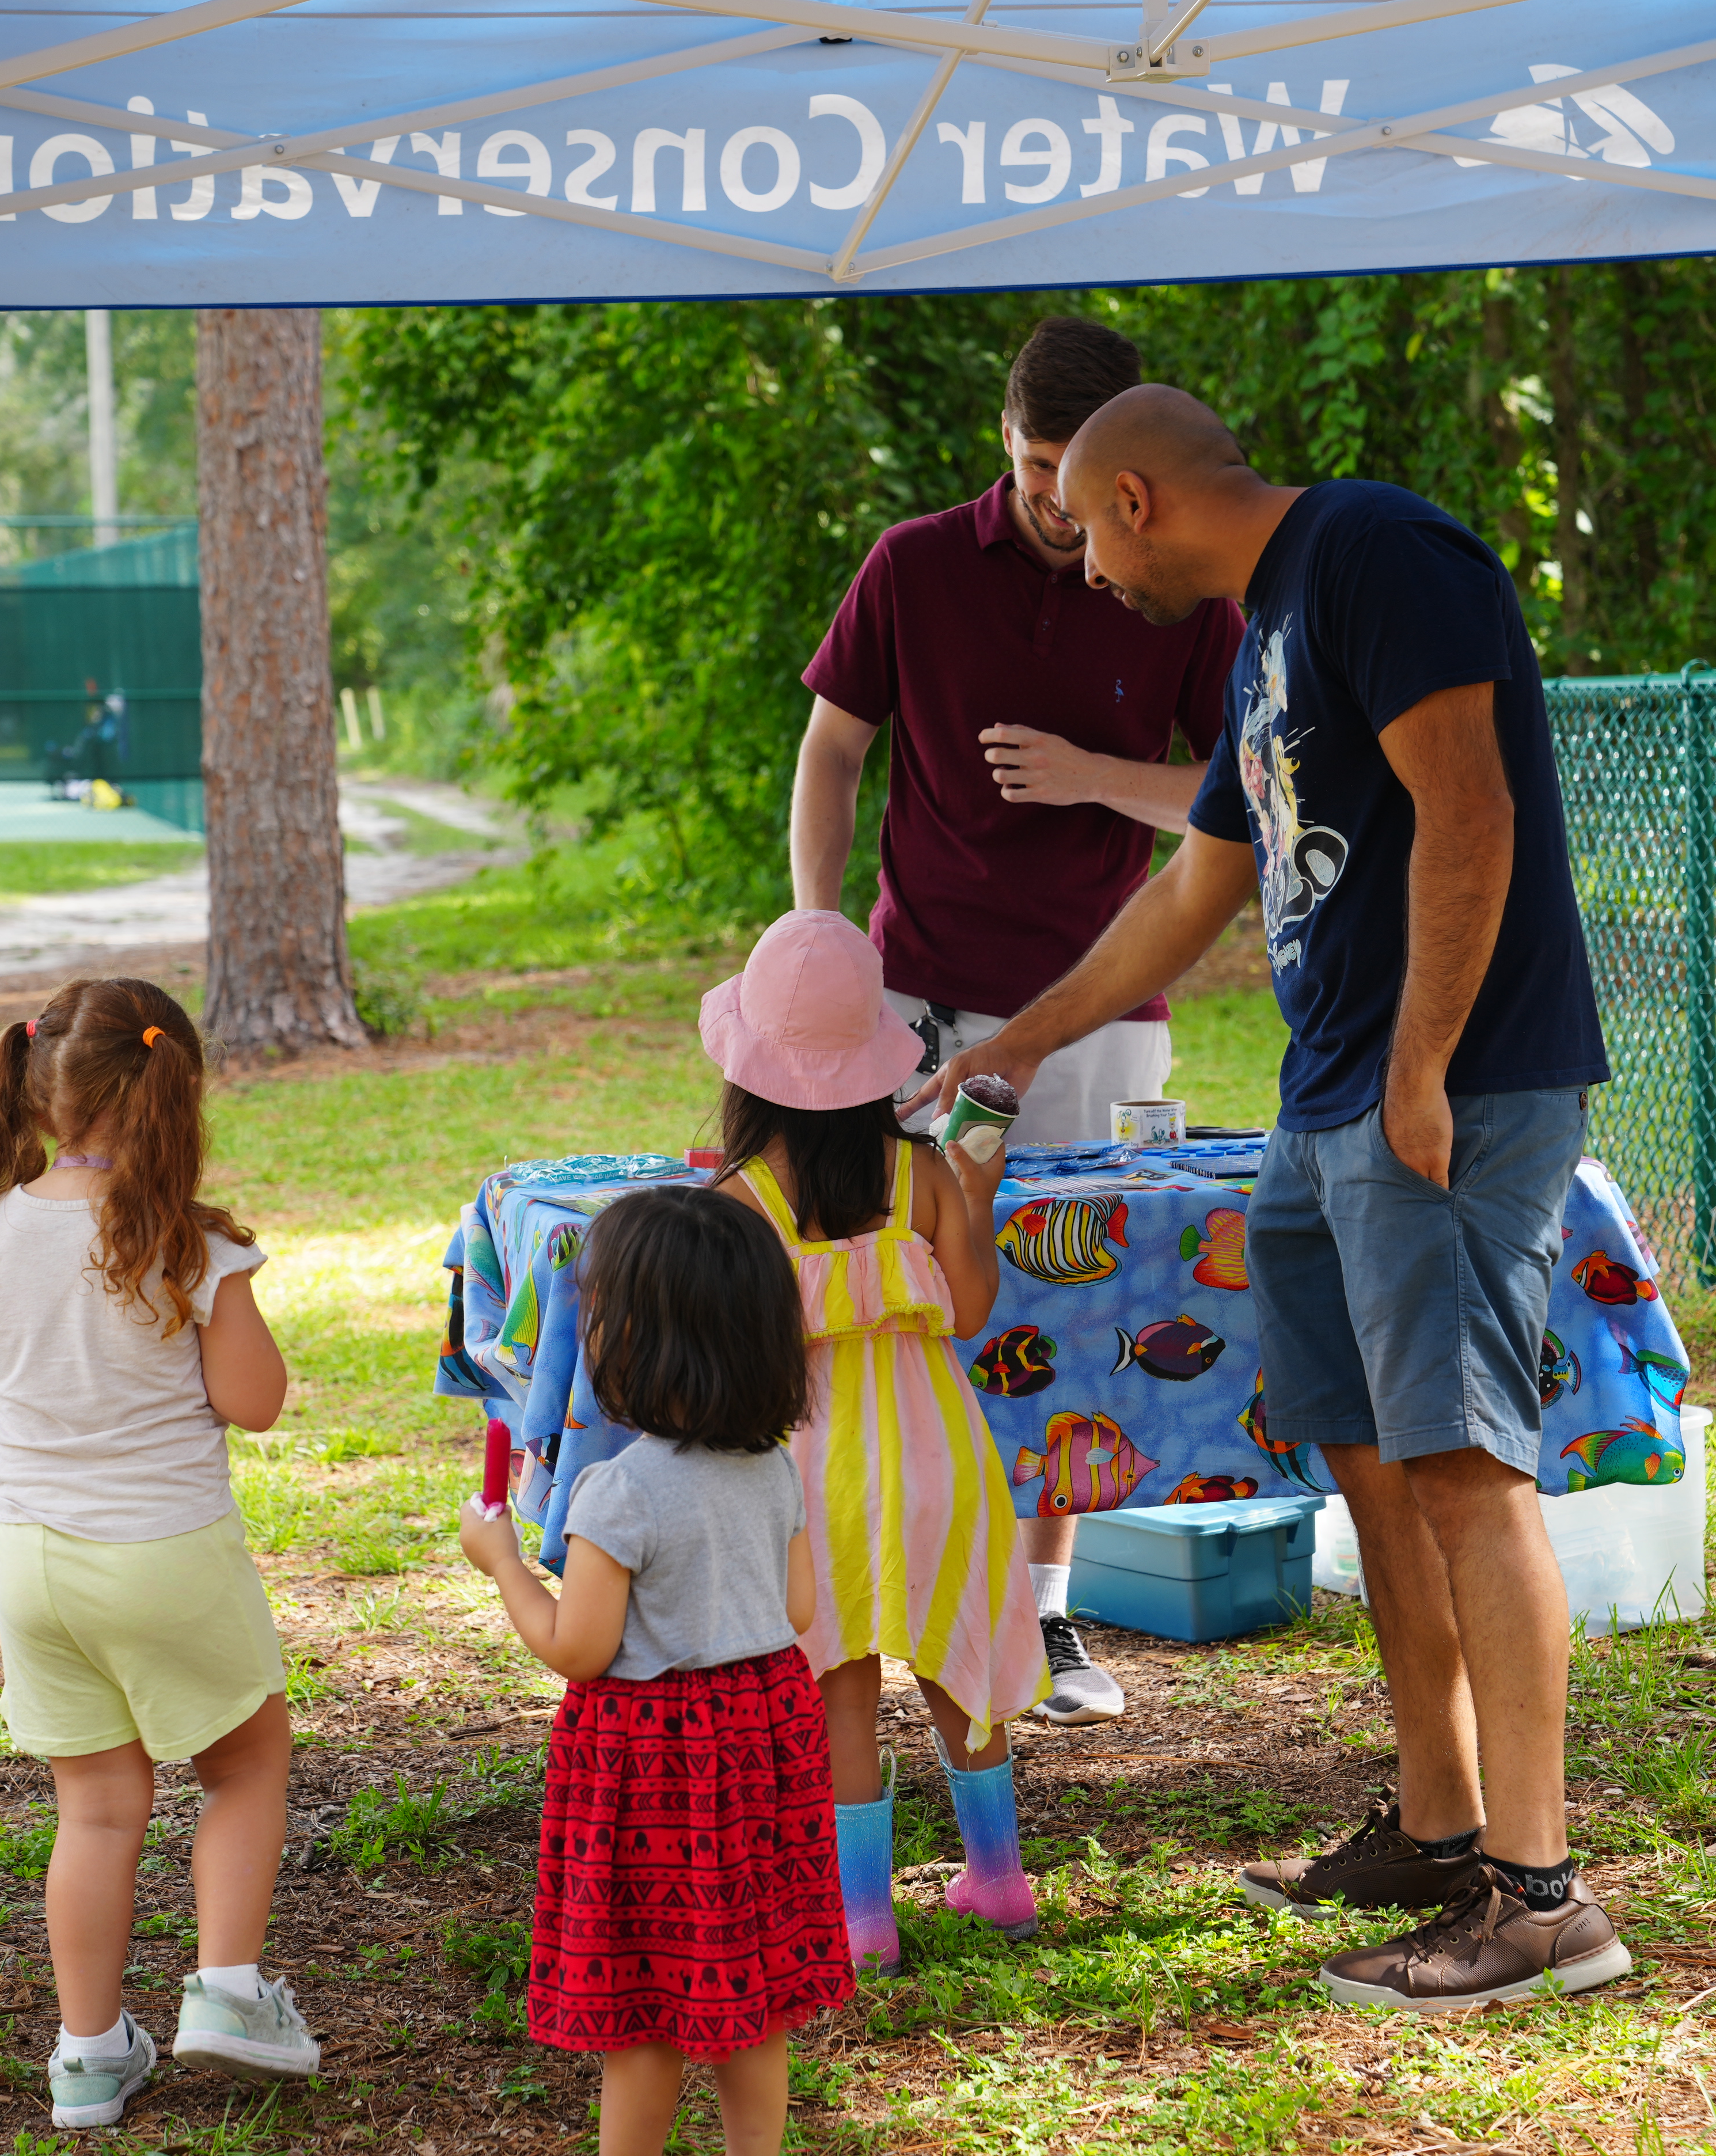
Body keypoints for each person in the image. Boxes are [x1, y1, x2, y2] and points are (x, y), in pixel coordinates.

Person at [916, 386, 1635, 2013]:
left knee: (1464, 1466)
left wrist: (1423, 1066)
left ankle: (1544, 1904)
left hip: (1443, 1091)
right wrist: (1015, 1050)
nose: (1088, 572)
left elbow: (1474, 806)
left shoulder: (1379, 552)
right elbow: (1195, 896)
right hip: (1327, 1112)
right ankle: (1441, 1827)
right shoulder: (1264, 638)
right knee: (1377, 1468)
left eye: (1088, 528)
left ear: (1142, 500)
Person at [789, 314, 1243, 1730]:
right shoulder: (915, 565)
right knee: (905, 1298)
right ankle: (894, 1595)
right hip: (916, 1006)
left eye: (1077, 469)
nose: (1055, 498)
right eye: (1034, 461)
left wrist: (1097, 773)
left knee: (1076, 1301)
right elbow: (830, 750)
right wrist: (819, 943)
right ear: (1006, 438)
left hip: (1106, 1013)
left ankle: (1043, 1622)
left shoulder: (1173, 582)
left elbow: (1235, 795)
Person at [0, 977, 323, 2128]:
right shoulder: (188, 1244)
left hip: (36, 1567)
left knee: (95, 1811)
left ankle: (90, 2058)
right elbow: (256, 1402)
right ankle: (229, 1994)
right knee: (243, 1766)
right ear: (175, 1098)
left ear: (42, 1093)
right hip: (166, 1552)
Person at [454, 1185, 848, 2156]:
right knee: (747, 1992)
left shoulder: (617, 1490)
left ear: (629, 1339)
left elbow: (578, 1650)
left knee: (643, 2012)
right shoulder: (773, 1466)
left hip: (653, 1767)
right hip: (765, 1742)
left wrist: (503, 1561)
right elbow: (795, 1614)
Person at [701, 909, 1046, 1973]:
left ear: (751, 1072)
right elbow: (974, 1307)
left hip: (814, 1476)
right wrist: (975, 1197)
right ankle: (998, 1881)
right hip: (938, 1459)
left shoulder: (738, 1200)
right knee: (959, 1657)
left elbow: (734, 1352)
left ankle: (862, 1924)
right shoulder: (924, 1175)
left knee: (839, 1683)